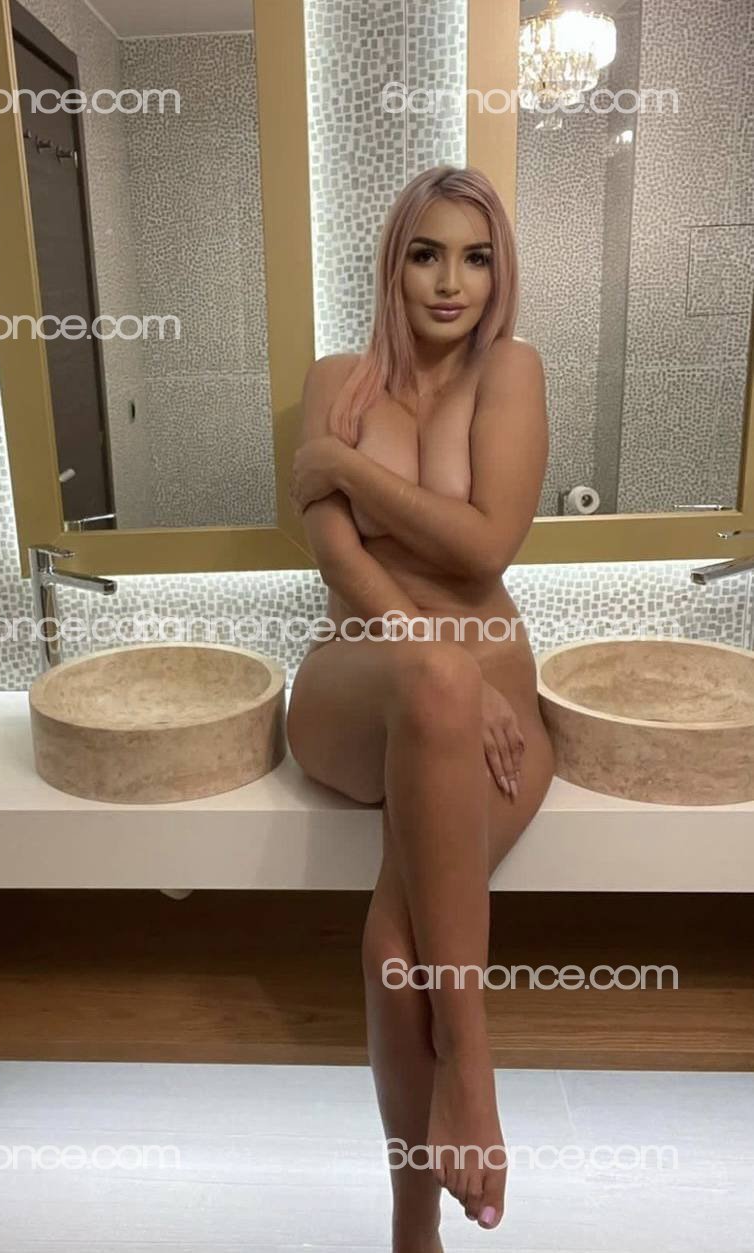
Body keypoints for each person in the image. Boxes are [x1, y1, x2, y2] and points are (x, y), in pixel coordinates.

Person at [285, 164, 555, 1253]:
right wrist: (434, 657)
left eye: (476, 258)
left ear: (499, 274)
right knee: (437, 676)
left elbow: (487, 545)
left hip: (493, 688)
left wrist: (344, 468)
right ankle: (473, 1073)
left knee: (395, 955)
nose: (452, 282)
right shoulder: (335, 378)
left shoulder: (512, 371)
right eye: (426, 254)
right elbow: (333, 552)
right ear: (392, 266)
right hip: (360, 676)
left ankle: (412, 1228)